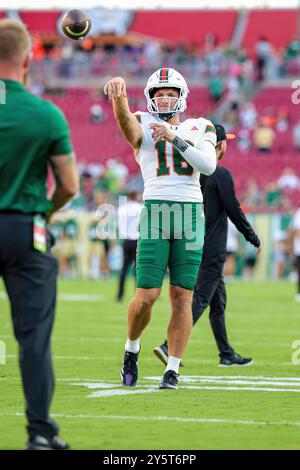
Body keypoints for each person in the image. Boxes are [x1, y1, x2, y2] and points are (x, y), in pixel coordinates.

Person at [104, 68, 217, 389]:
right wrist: (119, 97)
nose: (164, 98)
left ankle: (173, 368)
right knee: (146, 295)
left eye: (169, 93)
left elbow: (208, 165)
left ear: (181, 96)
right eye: (158, 94)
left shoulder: (201, 125)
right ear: (150, 98)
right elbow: (128, 128)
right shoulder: (141, 120)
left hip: (191, 213)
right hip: (156, 211)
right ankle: (131, 348)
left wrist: (175, 137)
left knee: (182, 295)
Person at [0, 19, 78, 450]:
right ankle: (40, 432)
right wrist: (44, 214)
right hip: (22, 227)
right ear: (28, 59)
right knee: (33, 337)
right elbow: (69, 185)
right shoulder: (46, 113)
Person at [154, 125, 261, 367]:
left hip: (190, 241)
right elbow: (234, 209)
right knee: (201, 298)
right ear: (219, 145)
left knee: (217, 302)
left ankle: (226, 353)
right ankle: (169, 345)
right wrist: (252, 236)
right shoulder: (220, 174)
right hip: (211, 247)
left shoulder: (190, 173)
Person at [117, 192, 143, 302]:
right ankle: (138, 294)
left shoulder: (121, 208)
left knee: (124, 269)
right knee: (138, 270)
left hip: (126, 240)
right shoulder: (140, 208)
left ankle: (120, 295)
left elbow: (119, 223)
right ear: (136, 196)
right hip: (137, 239)